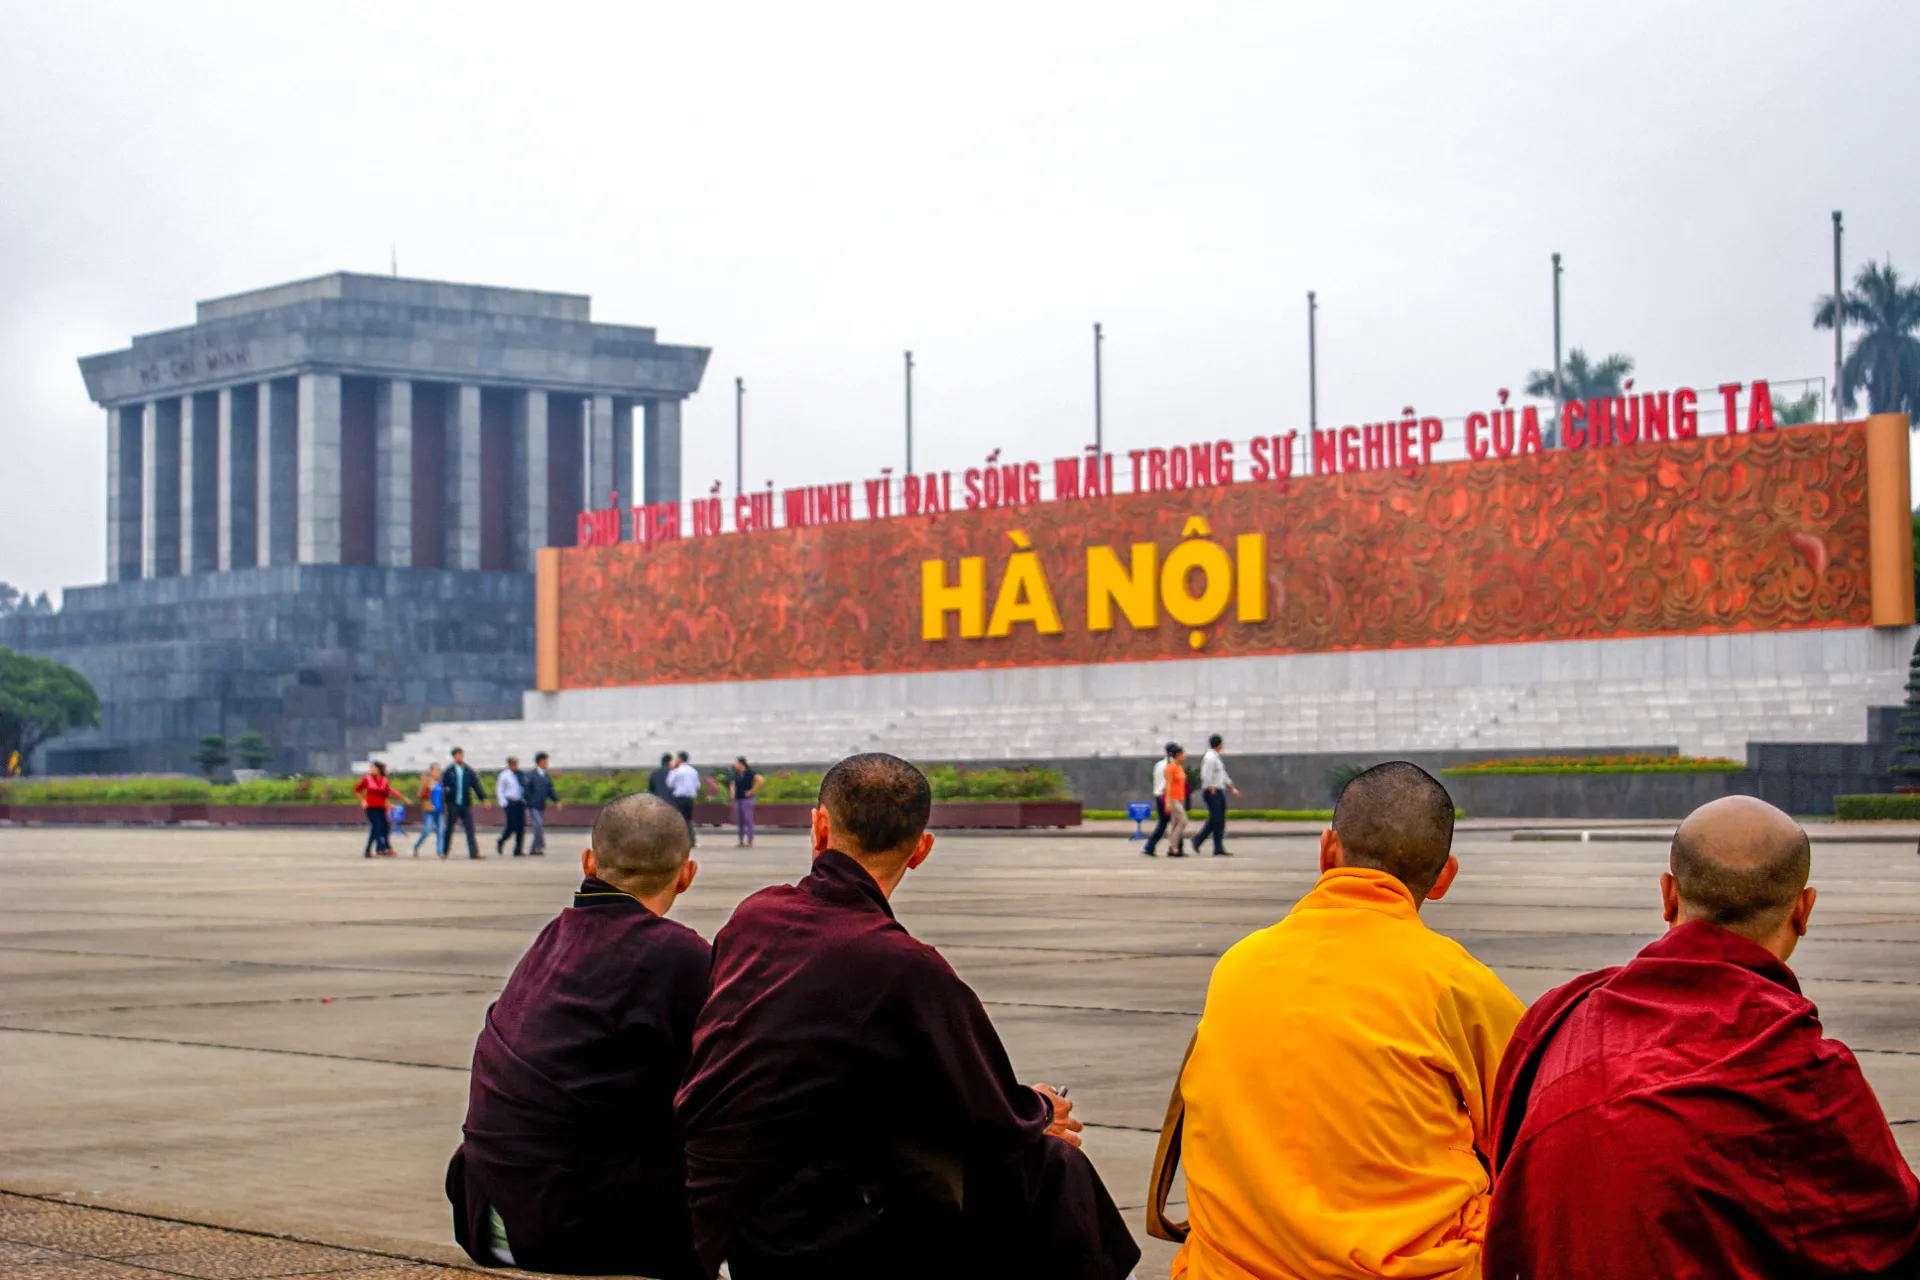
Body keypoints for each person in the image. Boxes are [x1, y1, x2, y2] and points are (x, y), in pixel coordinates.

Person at [676, 752, 1139, 1280]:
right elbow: (991, 1114)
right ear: (921, 850)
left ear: (820, 828)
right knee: (1051, 1166)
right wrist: (1041, 1109)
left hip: (724, 1216)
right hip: (812, 1232)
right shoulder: (905, 966)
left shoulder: (753, 916)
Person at [1486, 795, 1920, 1276]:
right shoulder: (1806, 1070)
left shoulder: (1560, 1019)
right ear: (1803, 909)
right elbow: (1885, 1242)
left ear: (1668, 895)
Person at [1158, 761, 1523, 1280]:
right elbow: (1532, 1133)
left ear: (1327, 851)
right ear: (1444, 878)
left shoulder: (1238, 964)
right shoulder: (1459, 985)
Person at [447, 792, 707, 1278]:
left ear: (589, 862)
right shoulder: (679, 956)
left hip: (485, 1211)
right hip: (568, 1229)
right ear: (686, 875)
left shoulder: (553, 938)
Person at [1190, 733, 1240, 857]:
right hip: (1212, 791)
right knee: (1216, 819)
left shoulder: (1216, 757)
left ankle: (1217, 847)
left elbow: (1222, 775)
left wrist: (1232, 788)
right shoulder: (1210, 758)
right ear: (1220, 744)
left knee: (1219, 820)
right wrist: (1210, 786)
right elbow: (1205, 774)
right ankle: (1198, 839)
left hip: (1218, 790)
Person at [445, 748, 486, 859]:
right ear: (454, 757)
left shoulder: (468, 770)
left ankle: (474, 853)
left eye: (460, 755)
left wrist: (483, 798)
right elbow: (444, 786)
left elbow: (475, 785)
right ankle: (444, 851)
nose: (459, 757)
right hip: (453, 804)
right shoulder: (449, 771)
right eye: (457, 755)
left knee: (470, 829)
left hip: (465, 804)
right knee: (449, 829)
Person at [1141, 741, 1177, 857]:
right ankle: (1173, 849)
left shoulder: (1158, 764)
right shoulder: (1172, 765)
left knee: (1165, 823)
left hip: (1158, 795)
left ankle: (1151, 847)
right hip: (1167, 796)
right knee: (1174, 823)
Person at [355, 761, 395, 857]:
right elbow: (357, 790)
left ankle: (369, 850)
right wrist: (363, 800)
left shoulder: (384, 780)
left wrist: (388, 805)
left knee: (384, 826)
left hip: (381, 807)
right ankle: (382, 847)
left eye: (373, 768)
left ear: (378, 769)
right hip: (370, 806)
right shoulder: (367, 779)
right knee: (376, 826)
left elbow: (386, 795)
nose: (371, 770)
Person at [523, 752, 558, 857]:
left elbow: (550, 789)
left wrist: (556, 800)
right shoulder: (531, 774)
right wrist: (527, 802)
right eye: (545, 761)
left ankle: (534, 849)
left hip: (541, 805)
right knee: (538, 825)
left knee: (538, 826)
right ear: (540, 761)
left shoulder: (545, 775)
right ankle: (538, 847)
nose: (547, 763)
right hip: (533, 805)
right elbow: (526, 790)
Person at [666, 751, 700, 847]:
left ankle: (680, 841)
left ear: (680, 759)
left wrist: (672, 770)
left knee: (679, 819)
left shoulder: (677, 771)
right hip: (690, 798)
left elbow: (669, 783)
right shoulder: (693, 771)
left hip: (679, 798)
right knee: (688, 819)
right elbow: (697, 785)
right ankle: (691, 840)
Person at [1162, 744, 1190, 857]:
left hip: (1180, 798)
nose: (1184, 756)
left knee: (1175, 823)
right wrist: (1168, 801)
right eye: (1183, 754)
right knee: (1184, 821)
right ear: (1177, 755)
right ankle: (1173, 845)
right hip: (1173, 799)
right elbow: (1168, 785)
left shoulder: (1180, 767)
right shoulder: (1170, 768)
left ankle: (1172, 848)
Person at [495, 756, 526, 857]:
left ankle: (518, 849)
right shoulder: (504, 775)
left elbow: (524, 787)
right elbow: (500, 789)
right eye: (513, 764)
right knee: (511, 826)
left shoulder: (520, 774)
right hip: (510, 802)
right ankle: (501, 841)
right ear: (509, 764)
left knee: (521, 827)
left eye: (516, 764)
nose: (515, 766)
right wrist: (503, 803)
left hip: (520, 802)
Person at [412, 763, 444, 856]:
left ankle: (440, 851)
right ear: (431, 771)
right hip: (430, 810)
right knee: (426, 831)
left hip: (440, 810)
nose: (438, 772)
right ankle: (416, 846)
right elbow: (419, 795)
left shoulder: (441, 782)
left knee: (440, 831)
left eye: (439, 770)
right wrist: (424, 784)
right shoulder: (427, 781)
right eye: (435, 770)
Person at [730, 757, 762, 847]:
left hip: (747, 799)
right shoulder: (737, 774)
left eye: (737, 763)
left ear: (741, 764)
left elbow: (760, 780)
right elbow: (732, 784)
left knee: (748, 820)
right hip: (738, 799)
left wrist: (752, 791)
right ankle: (741, 840)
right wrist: (732, 793)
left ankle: (750, 840)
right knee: (740, 820)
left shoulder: (749, 772)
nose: (735, 765)